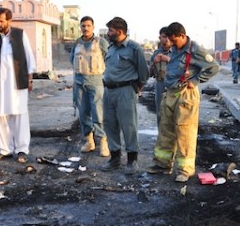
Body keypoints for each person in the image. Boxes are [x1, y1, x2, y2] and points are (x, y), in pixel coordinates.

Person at [146, 22, 219, 182]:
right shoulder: (174, 49)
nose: (171, 44)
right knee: (165, 129)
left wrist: (196, 80)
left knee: (185, 132)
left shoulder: (195, 50)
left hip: (186, 94)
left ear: (182, 36)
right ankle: (162, 164)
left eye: (174, 40)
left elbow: (213, 67)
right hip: (171, 93)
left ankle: (185, 170)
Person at [0, 8, 36, 164]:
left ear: (9, 21)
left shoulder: (20, 34)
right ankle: (5, 150)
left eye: (1, 20)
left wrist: (30, 79)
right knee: (2, 116)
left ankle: (22, 150)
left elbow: (29, 57)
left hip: (17, 82)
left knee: (20, 115)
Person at [101, 17, 149, 174]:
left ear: (120, 32)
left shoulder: (134, 49)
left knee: (128, 126)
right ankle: (115, 158)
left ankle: (131, 160)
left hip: (125, 91)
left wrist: (136, 88)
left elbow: (143, 73)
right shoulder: (111, 48)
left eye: (111, 31)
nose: (108, 33)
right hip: (108, 91)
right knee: (109, 124)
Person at [70, 16, 109, 157]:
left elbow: (109, 58)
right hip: (80, 83)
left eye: (88, 26)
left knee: (98, 112)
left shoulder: (101, 42)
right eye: (83, 26)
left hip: (96, 82)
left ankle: (103, 141)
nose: (85, 28)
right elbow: (71, 60)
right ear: (80, 27)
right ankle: (89, 140)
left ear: (93, 27)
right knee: (83, 112)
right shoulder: (77, 43)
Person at [149, 26, 172, 126]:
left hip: (174, 86)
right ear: (160, 38)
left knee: (175, 114)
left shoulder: (177, 52)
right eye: (164, 36)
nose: (166, 40)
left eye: (168, 37)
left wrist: (167, 59)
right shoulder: (156, 54)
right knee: (161, 113)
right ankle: (162, 138)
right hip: (160, 85)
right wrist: (154, 63)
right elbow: (149, 73)